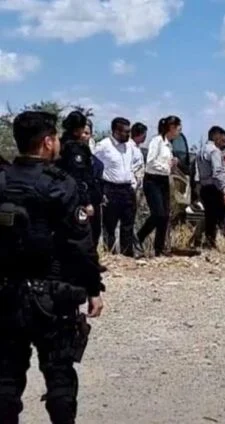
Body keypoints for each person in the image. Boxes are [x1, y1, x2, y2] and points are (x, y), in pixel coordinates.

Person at [0, 111, 104, 423]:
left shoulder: (3, 180)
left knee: (6, 378)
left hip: (7, 293)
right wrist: (93, 289)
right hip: (53, 295)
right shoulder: (60, 184)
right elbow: (79, 244)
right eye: (55, 138)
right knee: (59, 377)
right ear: (47, 142)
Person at [93, 117, 142, 257]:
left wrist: (134, 181)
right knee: (110, 225)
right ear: (116, 131)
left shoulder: (130, 146)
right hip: (110, 189)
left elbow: (136, 163)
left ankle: (127, 255)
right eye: (126, 132)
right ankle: (110, 255)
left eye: (129, 131)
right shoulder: (103, 146)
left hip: (127, 189)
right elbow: (94, 165)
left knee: (128, 224)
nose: (128, 134)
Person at [137, 116, 181, 257]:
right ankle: (139, 237)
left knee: (165, 215)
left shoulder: (169, 145)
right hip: (152, 180)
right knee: (158, 214)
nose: (179, 131)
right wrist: (166, 167)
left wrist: (172, 164)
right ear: (172, 127)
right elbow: (150, 161)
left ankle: (159, 248)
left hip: (163, 180)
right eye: (178, 128)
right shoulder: (156, 141)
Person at [55, 111, 96, 218]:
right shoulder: (75, 148)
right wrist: (86, 202)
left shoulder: (59, 144)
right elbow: (77, 177)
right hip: (75, 199)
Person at [198, 126, 225, 249]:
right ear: (216, 137)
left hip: (204, 187)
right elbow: (217, 172)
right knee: (222, 217)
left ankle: (209, 243)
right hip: (214, 188)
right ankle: (222, 244)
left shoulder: (201, 150)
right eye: (222, 140)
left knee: (209, 218)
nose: (223, 144)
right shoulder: (214, 151)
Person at [81, 119, 104, 249]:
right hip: (75, 201)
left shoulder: (94, 159)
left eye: (86, 133)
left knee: (94, 232)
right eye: (81, 132)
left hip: (93, 201)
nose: (83, 136)